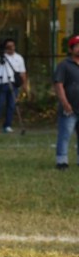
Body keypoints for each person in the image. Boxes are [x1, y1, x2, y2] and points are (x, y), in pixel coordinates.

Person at [0, 38, 27, 133]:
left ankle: (7, 125)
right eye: (8, 47)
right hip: (1, 83)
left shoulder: (19, 58)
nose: (11, 48)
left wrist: (24, 85)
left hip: (13, 84)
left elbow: (22, 73)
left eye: (12, 46)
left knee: (12, 105)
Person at [52, 35, 79, 170]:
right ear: (71, 49)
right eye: (77, 46)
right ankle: (62, 161)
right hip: (70, 107)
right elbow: (58, 84)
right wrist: (65, 103)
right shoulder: (64, 65)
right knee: (65, 135)